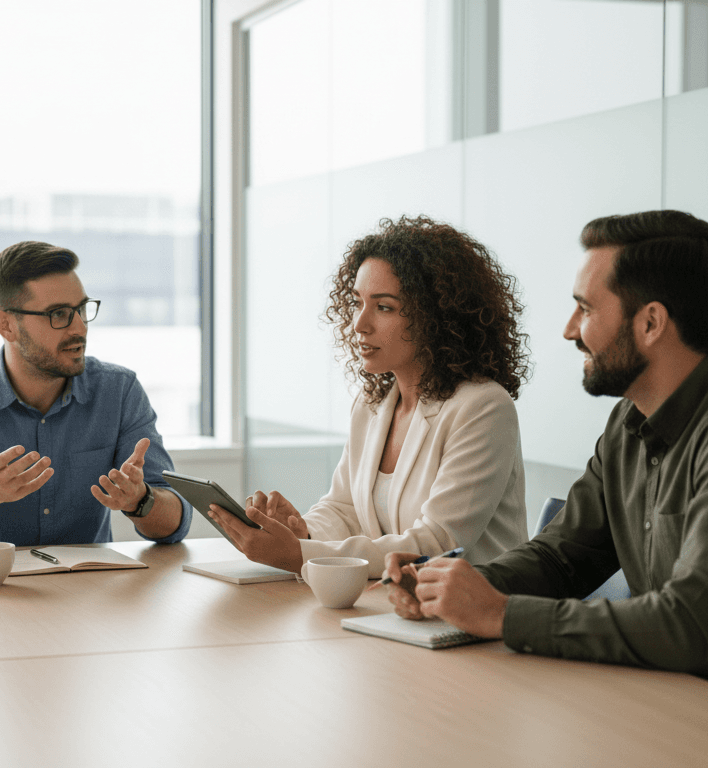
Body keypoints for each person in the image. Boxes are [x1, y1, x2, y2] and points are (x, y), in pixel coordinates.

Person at [384, 210, 708, 732]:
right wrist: (448, 586)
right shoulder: (629, 422)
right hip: (683, 713)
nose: (569, 331)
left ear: (650, 323)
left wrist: (499, 614)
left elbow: (692, 626)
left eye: (584, 309)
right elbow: (562, 559)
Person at [207, 215, 530, 575]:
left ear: (436, 317)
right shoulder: (373, 404)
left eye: (384, 307)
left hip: (474, 614)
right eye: (358, 303)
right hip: (394, 607)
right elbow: (343, 508)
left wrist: (300, 554)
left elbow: (437, 543)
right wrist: (302, 531)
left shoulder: (483, 407)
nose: (360, 324)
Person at [0, 240, 189, 556]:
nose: (79, 328)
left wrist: (140, 499)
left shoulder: (119, 390)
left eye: (82, 309)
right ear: (7, 325)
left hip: (88, 593)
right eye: (58, 314)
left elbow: (176, 522)